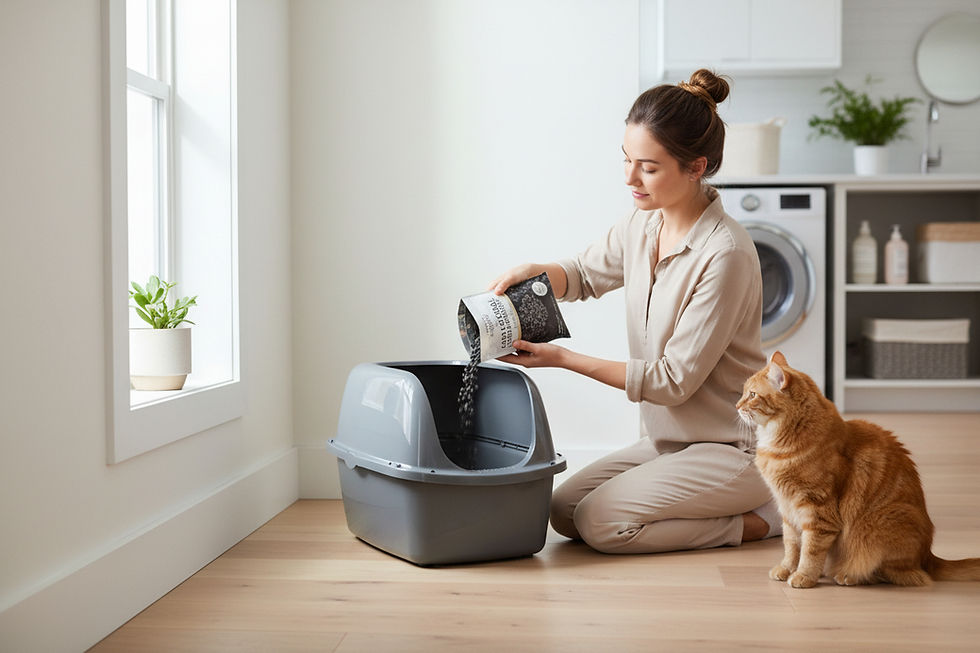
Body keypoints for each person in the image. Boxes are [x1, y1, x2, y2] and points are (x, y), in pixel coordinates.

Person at [490, 69, 781, 554]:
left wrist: (562, 359)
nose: (629, 178)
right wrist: (540, 272)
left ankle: (762, 521)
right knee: (564, 513)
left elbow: (672, 381)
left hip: (732, 450)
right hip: (669, 442)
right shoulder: (641, 225)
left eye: (648, 167)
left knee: (602, 525)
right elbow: (584, 273)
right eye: (627, 160)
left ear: (696, 167)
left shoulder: (724, 253)